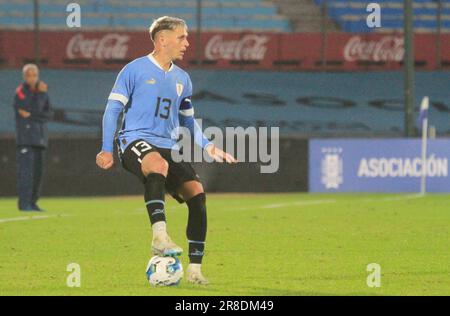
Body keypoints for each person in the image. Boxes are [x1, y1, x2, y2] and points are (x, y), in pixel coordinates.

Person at [96, 16, 236, 285]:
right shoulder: (134, 70)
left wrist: (207, 145)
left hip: (167, 145)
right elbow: (112, 109)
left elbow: (187, 120)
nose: (187, 42)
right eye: (182, 37)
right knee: (157, 165)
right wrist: (106, 148)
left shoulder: (183, 78)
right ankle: (159, 235)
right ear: (163, 40)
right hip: (134, 141)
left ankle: (195, 270)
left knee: (197, 194)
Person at [13, 63, 52, 212]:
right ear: (24, 76)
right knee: (26, 174)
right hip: (26, 140)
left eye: (34, 75)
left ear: (38, 76)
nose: (32, 78)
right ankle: (24, 204)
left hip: (40, 139)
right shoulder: (21, 92)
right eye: (29, 75)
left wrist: (33, 116)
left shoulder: (42, 92)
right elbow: (30, 108)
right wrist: (39, 96)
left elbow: (48, 114)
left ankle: (33, 202)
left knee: (37, 173)